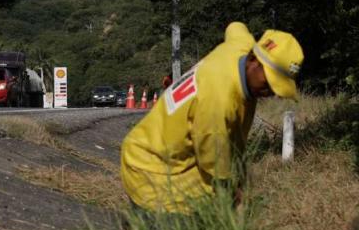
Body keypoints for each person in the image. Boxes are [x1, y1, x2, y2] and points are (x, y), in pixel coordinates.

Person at [120, 22, 303, 213]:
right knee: (191, 224)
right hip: (150, 168)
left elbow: (235, 27)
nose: (272, 92)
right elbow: (216, 166)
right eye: (269, 82)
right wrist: (235, 197)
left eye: (279, 87)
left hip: (169, 153)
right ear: (253, 60)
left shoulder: (242, 46)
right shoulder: (219, 100)